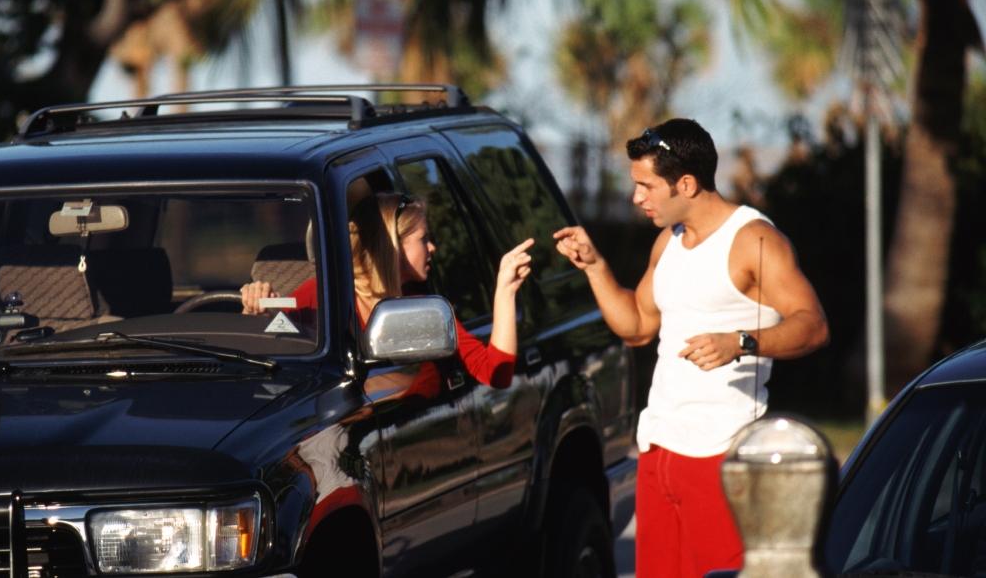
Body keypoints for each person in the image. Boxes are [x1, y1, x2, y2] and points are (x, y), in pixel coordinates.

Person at [552, 118, 829, 578]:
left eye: (645, 186)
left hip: (722, 455)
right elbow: (637, 327)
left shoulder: (754, 240)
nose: (636, 197)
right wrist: (596, 268)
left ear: (686, 183)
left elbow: (813, 325)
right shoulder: (669, 241)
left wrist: (741, 343)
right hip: (660, 451)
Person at [243, 192, 534, 389]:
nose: (433, 248)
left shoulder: (423, 308)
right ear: (392, 245)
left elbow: (496, 373)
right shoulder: (321, 294)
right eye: (423, 239)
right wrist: (255, 311)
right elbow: (270, 361)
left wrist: (505, 292)